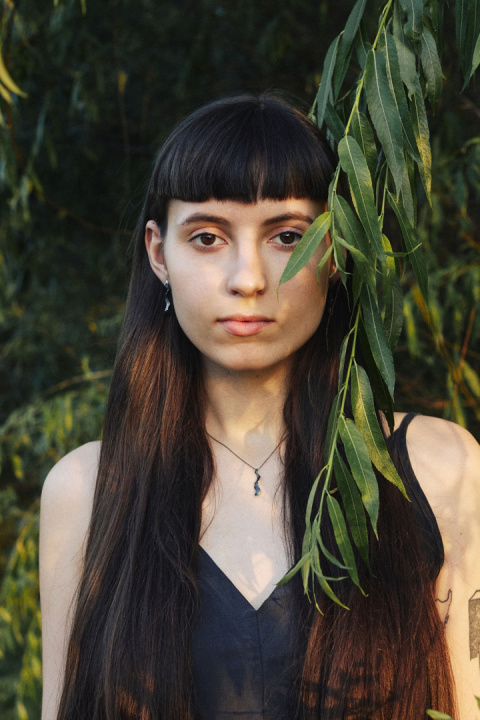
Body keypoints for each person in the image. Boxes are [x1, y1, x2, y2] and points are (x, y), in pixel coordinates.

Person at [39, 94, 480, 720]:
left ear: (336, 252)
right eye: (209, 237)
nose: (248, 278)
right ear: (159, 253)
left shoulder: (439, 471)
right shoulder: (87, 491)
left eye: (288, 236)